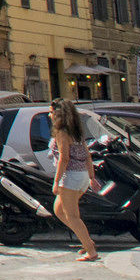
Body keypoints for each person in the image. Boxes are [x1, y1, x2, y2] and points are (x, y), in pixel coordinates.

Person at [47, 97, 97, 261]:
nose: (49, 115)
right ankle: (86, 240)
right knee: (59, 210)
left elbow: (64, 158)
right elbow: (88, 156)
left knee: (72, 216)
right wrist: (91, 177)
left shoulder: (62, 133)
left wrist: (56, 181)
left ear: (57, 114)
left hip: (70, 177)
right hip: (81, 175)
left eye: (51, 112)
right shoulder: (76, 131)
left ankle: (91, 250)